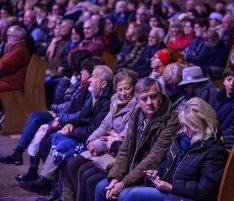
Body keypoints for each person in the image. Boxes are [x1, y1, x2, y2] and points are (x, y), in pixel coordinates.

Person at [108, 97, 228, 201]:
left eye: (189, 126)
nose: (185, 130)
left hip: (183, 196)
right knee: (123, 194)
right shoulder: (182, 139)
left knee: (133, 195)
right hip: (169, 189)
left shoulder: (214, 149)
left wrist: (172, 187)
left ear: (202, 124)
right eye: (184, 125)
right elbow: (166, 163)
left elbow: (206, 189)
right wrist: (157, 172)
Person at [19, 65, 114, 196]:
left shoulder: (106, 102)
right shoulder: (95, 94)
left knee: (54, 144)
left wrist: (69, 131)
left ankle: (50, 186)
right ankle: (50, 186)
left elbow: (92, 130)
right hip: (81, 132)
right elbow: (81, 116)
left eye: (94, 76)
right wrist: (68, 123)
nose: (90, 79)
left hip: (92, 141)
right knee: (48, 138)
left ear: (103, 84)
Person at [95, 77, 180, 201]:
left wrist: (124, 183)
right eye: (144, 99)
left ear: (161, 95)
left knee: (124, 195)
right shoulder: (136, 115)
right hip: (131, 171)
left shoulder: (171, 121)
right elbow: (125, 149)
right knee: (101, 187)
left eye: (153, 96)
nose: (149, 102)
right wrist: (115, 178)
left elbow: (154, 158)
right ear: (137, 101)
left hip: (152, 175)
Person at [62, 69, 139, 201]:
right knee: (72, 164)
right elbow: (104, 125)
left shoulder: (137, 106)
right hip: (106, 144)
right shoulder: (115, 101)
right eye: (120, 90)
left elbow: (123, 136)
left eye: (127, 89)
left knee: (86, 173)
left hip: (117, 151)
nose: (124, 93)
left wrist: (99, 145)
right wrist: (91, 141)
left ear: (134, 88)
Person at [0, 25, 31, 92]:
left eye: (9, 35)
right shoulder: (16, 48)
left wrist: (6, 53)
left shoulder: (20, 50)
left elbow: (2, 66)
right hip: (8, 80)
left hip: (12, 83)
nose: (7, 38)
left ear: (15, 37)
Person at [212, 66, 234, 132]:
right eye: (229, 79)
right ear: (223, 81)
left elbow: (224, 127)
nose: (231, 84)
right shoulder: (219, 94)